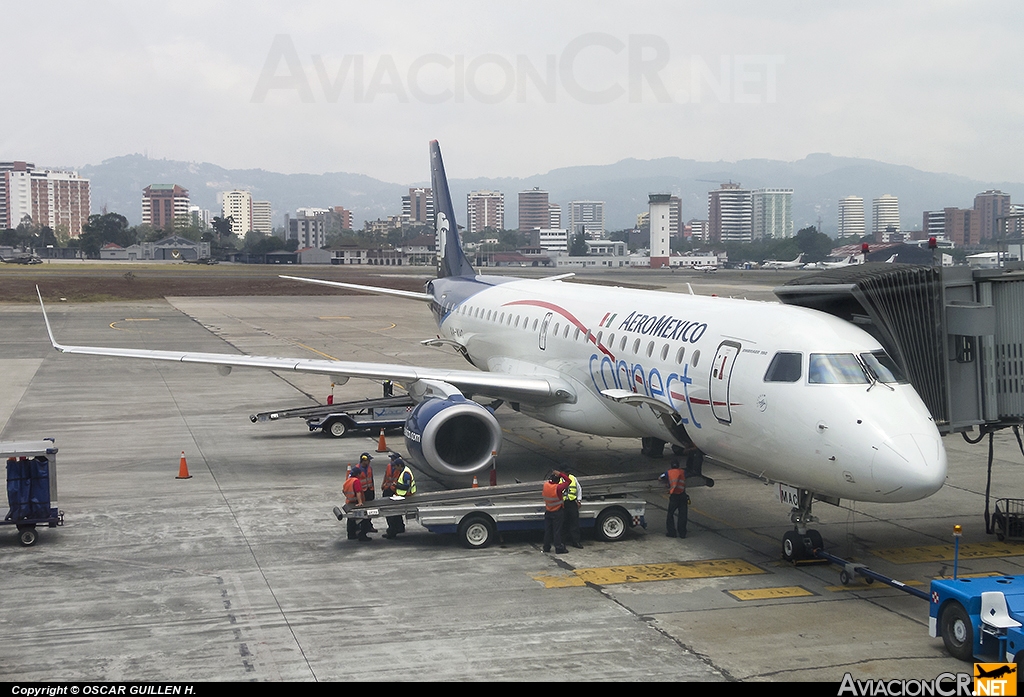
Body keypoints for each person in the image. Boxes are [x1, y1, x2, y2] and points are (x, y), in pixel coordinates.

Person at [385, 458, 416, 539]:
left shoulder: (406, 474)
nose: (395, 468)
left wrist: (396, 485)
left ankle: (392, 531)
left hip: (406, 495)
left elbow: (406, 486)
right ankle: (397, 528)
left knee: (392, 513)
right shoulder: (403, 471)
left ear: (399, 466)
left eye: (395, 466)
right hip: (401, 495)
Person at [542, 471, 570, 554]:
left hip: (548, 511)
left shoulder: (546, 485)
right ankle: (558, 548)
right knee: (557, 531)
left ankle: (546, 547)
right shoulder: (558, 488)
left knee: (548, 531)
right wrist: (561, 474)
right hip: (557, 512)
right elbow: (568, 481)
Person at [343, 465, 372, 542]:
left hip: (349, 502)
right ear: (358, 474)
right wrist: (360, 502)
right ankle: (362, 534)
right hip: (355, 503)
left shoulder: (348, 480)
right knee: (365, 518)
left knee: (351, 520)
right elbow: (358, 492)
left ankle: (351, 534)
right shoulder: (356, 481)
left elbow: (343, 491)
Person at [660, 459, 687, 538]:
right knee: (683, 515)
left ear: (671, 466)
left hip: (674, 496)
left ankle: (672, 532)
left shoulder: (668, 472)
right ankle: (682, 533)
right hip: (682, 495)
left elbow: (660, 478)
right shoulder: (682, 471)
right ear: (678, 466)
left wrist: (667, 483)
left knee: (670, 514)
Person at [562, 471, 583, 549]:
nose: (566, 473)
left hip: (572, 503)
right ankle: (562, 542)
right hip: (562, 504)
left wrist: (579, 500)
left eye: (567, 472)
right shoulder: (559, 479)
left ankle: (576, 541)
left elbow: (579, 489)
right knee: (562, 523)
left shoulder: (573, 478)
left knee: (574, 523)